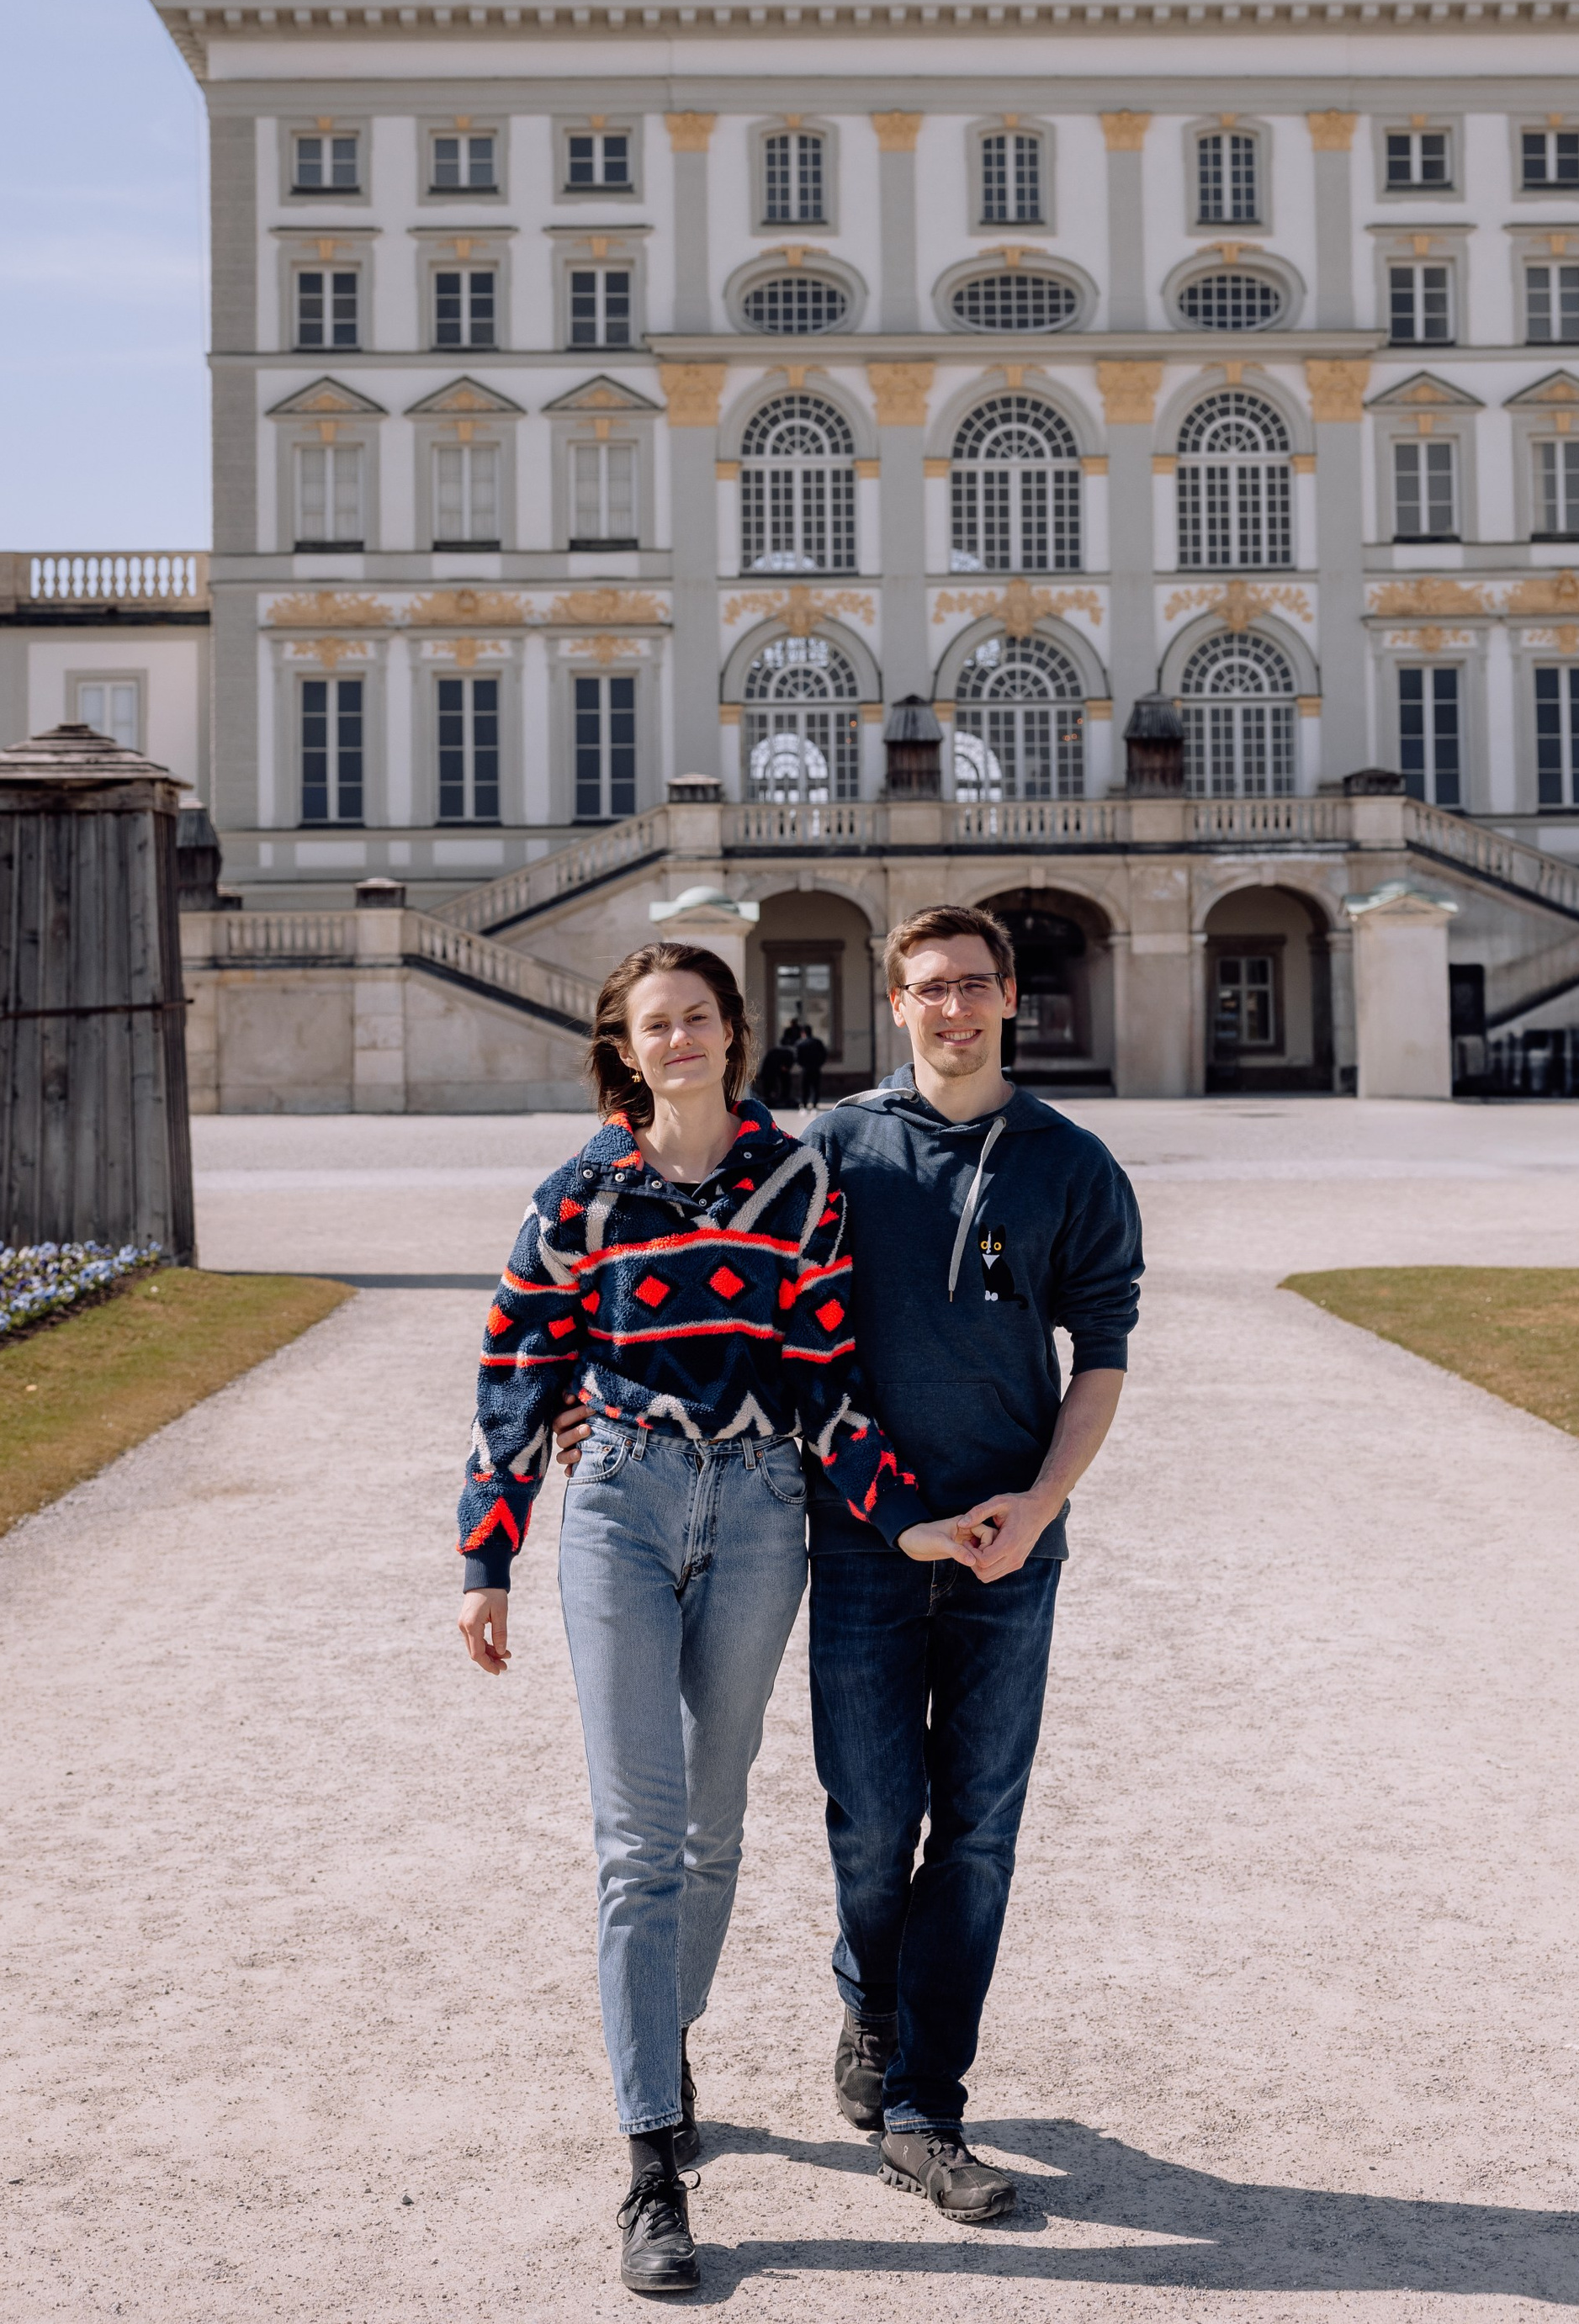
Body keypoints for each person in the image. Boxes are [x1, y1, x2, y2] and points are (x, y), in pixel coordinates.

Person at [456, 940, 988, 2300]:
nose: (680, 1038)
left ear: (734, 1033)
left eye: (699, 1016)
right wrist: (489, 1552)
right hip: (623, 1502)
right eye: (656, 1023)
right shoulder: (584, 1189)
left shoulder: (796, 1179)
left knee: (711, 1820)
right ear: (623, 1046)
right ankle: (650, 2161)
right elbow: (519, 1361)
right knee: (638, 1842)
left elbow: (827, 1372)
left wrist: (900, 1512)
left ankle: (664, 2035)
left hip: (760, 1509)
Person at [799, 903, 1144, 2220]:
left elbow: (1101, 1350)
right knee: (876, 1820)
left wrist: (1043, 1502)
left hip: (1009, 1546)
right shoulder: (836, 1147)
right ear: (896, 1004)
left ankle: (927, 2100)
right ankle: (868, 2002)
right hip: (871, 1537)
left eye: (974, 984)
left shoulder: (1070, 1160)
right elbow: (775, 1329)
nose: (953, 1007)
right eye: (928, 987)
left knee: (980, 1831)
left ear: (1011, 997)